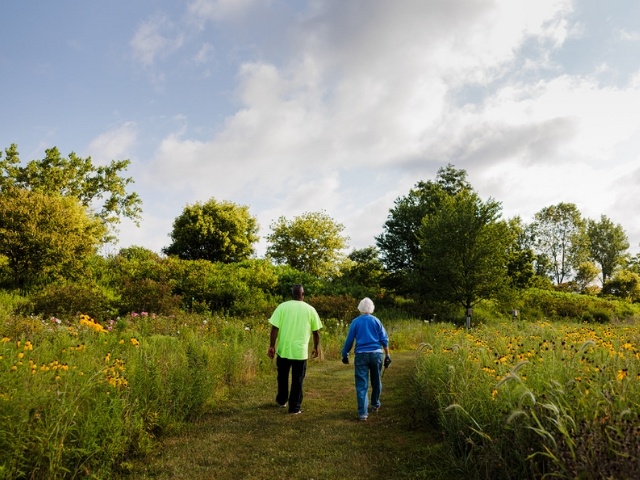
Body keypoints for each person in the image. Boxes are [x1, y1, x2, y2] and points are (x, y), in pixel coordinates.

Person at [267, 284, 322, 414]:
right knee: (298, 380)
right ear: (303, 295)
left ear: (292, 294)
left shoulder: (282, 307)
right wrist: (315, 347)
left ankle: (281, 400)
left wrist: (272, 346)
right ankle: (294, 408)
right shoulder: (310, 309)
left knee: (282, 377)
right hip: (300, 352)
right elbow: (316, 332)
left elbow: (274, 328)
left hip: (284, 350)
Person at [341, 297, 391, 421]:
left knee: (361, 384)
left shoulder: (356, 322)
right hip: (376, 354)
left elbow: (349, 340)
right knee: (376, 380)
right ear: (372, 308)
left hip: (361, 355)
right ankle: (375, 404)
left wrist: (345, 354)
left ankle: (363, 413)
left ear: (360, 308)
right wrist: (388, 355)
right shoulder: (376, 321)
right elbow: (384, 339)